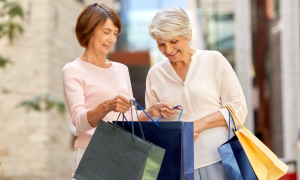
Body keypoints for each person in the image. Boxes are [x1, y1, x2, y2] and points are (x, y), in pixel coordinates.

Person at [62, 3, 175, 179]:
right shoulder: (73, 69)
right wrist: (107, 105)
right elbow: (79, 121)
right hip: (91, 155)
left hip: (124, 154)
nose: (112, 39)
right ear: (89, 30)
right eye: (106, 32)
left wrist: (149, 113)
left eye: (115, 34)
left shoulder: (121, 69)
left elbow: (128, 117)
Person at [146, 7, 248, 180]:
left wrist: (198, 124)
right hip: (177, 166)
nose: (168, 49)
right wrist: (155, 114)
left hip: (220, 160)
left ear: (189, 35)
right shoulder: (155, 74)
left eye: (174, 41)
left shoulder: (214, 60)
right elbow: (154, 130)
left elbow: (238, 109)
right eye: (161, 44)